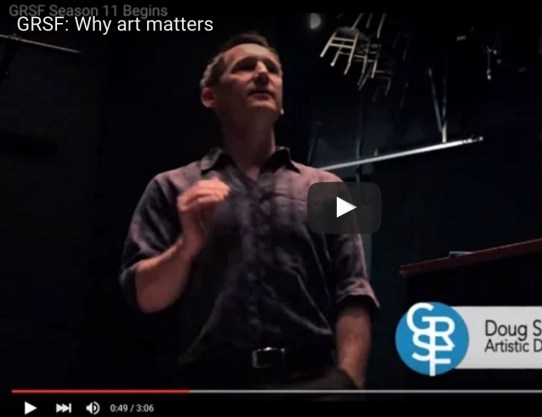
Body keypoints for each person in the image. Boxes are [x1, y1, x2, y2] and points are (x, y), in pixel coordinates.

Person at [118, 32, 379, 392]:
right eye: (244, 67)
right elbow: (145, 297)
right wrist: (185, 247)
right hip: (214, 386)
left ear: (282, 103)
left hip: (315, 382)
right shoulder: (171, 187)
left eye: (272, 68)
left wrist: (349, 380)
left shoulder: (330, 188)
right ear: (210, 96)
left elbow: (353, 290)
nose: (261, 73)